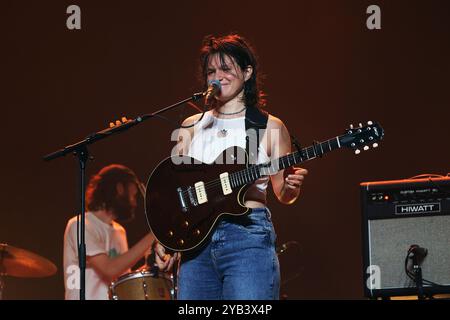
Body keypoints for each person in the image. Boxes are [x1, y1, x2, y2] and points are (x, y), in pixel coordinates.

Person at [160, 34, 308, 300]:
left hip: (247, 238)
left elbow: (283, 194)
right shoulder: (191, 126)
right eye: (211, 71)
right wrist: (166, 240)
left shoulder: (269, 126)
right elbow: (174, 191)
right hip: (196, 244)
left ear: (247, 72)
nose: (218, 76)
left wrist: (290, 187)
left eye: (226, 69)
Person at [63, 164, 173, 300]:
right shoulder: (80, 224)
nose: (134, 203)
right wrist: (154, 233)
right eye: (132, 196)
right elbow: (109, 269)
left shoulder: (119, 231)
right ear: (119, 189)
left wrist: (150, 267)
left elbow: (120, 279)